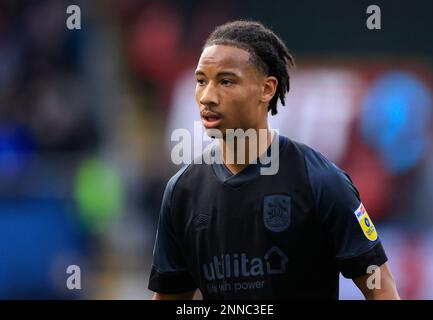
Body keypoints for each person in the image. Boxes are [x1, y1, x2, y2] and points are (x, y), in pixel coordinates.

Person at [148, 20, 400, 300]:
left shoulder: (319, 181)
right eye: (201, 81)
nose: (207, 96)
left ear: (267, 89)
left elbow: (382, 290)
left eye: (226, 81)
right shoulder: (182, 192)